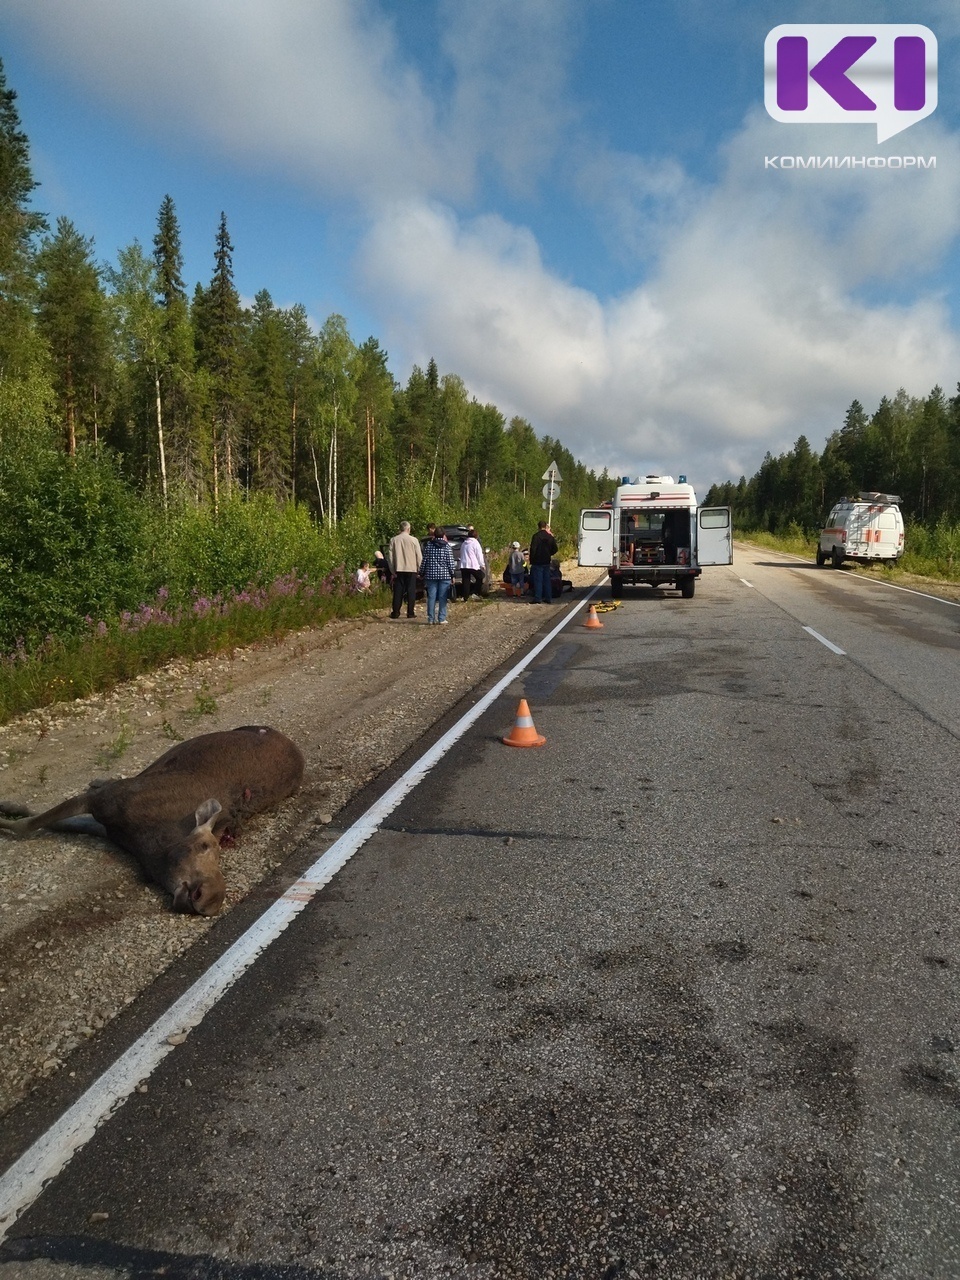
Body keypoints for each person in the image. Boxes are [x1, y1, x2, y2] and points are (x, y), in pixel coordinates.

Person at [420, 527, 456, 624]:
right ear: (444, 535)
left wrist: (421, 573)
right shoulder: (447, 547)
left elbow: (424, 561)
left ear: (434, 535)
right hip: (444, 576)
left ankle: (431, 619)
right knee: (442, 597)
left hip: (431, 575)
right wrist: (453, 575)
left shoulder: (429, 546)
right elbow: (450, 563)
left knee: (431, 597)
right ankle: (441, 618)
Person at [388, 520, 422, 619]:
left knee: (398, 591)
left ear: (400, 528)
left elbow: (390, 557)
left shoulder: (393, 540)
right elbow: (419, 556)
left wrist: (392, 570)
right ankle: (410, 612)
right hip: (411, 568)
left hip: (399, 568)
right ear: (408, 529)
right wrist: (420, 569)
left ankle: (395, 612)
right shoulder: (414, 540)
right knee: (411, 590)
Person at [528, 520, 558, 604]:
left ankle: (538, 597)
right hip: (546, 560)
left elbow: (533, 549)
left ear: (538, 527)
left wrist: (532, 560)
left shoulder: (536, 536)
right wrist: (549, 553)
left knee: (538, 580)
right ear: (545, 526)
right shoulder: (550, 537)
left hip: (537, 561)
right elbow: (555, 549)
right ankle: (548, 597)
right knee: (547, 580)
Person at [458, 526, 486, 599]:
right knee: (481, 576)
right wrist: (482, 564)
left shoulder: (464, 543)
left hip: (464, 565)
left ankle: (465, 597)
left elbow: (461, 552)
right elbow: (479, 554)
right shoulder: (475, 543)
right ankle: (475, 593)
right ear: (476, 536)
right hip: (472, 565)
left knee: (466, 581)